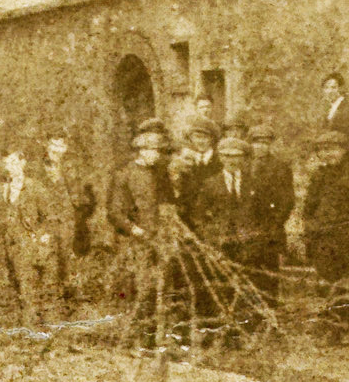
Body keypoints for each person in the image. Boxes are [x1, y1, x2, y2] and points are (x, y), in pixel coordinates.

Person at [299, 130, 349, 345]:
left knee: (346, 285)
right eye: (322, 150)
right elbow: (309, 207)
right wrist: (310, 228)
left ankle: (347, 329)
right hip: (324, 240)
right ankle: (331, 328)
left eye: (332, 149)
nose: (327, 154)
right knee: (327, 284)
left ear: (344, 150)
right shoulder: (319, 175)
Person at [177, 129, 251, 350]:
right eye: (227, 156)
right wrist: (210, 236)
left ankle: (236, 334)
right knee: (215, 287)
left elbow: (259, 212)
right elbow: (199, 215)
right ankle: (213, 333)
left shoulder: (252, 182)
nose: (232, 161)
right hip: (218, 243)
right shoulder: (210, 183)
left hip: (245, 242)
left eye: (237, 156)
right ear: (221, 158)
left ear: (243, 159)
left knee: (240, 288)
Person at [105, 121, 176, 347]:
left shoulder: (160, 174)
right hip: (134, 242)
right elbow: (115, 212)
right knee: (137, 289)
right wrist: (134, 230)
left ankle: (157, 337)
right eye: (151, 151)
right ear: (140, 151)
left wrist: (168, 222)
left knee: (161, 288)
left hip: (159, 239)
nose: (155, 155)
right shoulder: (124, 175)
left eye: (158, 151)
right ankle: (133, 338)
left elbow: (167, 202)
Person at [0, 143, 58, 332]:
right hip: (0, 245)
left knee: (26, 288)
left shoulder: (35, 188)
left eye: (13, 162)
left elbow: (50, 218)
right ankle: (1, 331)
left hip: (25, 245)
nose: (9, 167)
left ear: (23, 163)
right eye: (6, 163)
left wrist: (39, 236)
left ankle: (29, 330)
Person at [239, 122, 294, 335]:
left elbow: (287, 200)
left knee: (269, 276)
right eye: (256, 142)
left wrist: (275, 223)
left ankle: (270, 321)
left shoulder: (280, 167)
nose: (260, 147)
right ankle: (250, 319)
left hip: (270, 229)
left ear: (271, 144)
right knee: (248, 274)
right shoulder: (243, 166)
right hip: (247, 230)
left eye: (265, 142)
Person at [42, 133, 95, 318]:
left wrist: (79, 208)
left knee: (70, 259)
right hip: (47, 220)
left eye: (61, 146)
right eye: (53, 145)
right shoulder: (37, 168)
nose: (57, 150)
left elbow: (86, 197)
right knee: (49, 259)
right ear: (46, 145)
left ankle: (74, 302)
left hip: (69, 220)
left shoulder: (74, 168)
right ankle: (51, 302)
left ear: (66, 148)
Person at [320, 72, 349, 143]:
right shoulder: (330, 108)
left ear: (340, 89)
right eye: (326, 87)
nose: (329, 91)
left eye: (333, 87)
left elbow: (346, 134)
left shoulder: (346, 107)